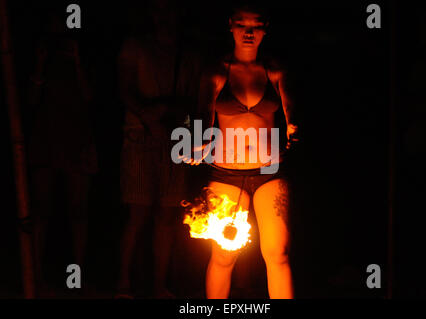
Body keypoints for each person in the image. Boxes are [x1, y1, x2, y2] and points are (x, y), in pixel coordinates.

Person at [183, 3, 299, 299]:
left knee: (279, 254)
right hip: (225, 174)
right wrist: (199, 140)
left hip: (269, 172)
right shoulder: (217, 71)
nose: (249, 32)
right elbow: (202, 113)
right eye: (242, 24)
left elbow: (292, 113)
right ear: (231, 26)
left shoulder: (275, 71)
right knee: (224, 256)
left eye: (255, 25)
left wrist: (294, 129)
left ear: (265, 29)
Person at [117, 0, 200, 298]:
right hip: (139, 136)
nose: (164, 16)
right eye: (159, 9)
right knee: (138, 212)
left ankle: (158, 286)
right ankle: (124, 284)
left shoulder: (188, 55)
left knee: (167, 215)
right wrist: (147, 115)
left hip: (175, 138)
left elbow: (194, 99)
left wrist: (185, 129)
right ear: (151, 13)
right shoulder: (135, 46)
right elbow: (124, 88)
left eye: (170, 9)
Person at [27, 13, 97, 297]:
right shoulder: (40, 53)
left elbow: (90, 98)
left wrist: (77, 61)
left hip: (77, 140)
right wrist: (40, 64)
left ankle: (76, 276)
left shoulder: (82, 53)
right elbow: (30, 101)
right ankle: (35, 274)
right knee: (41, 209)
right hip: (45, 139)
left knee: (78, 211)